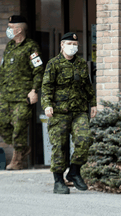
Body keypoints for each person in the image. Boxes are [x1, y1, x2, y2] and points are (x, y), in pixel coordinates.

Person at [41, 32, 97, 194]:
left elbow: (87, 85)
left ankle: (74, 171)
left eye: (75, 44)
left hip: (79, 110)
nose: (73, 47)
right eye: (69, 44)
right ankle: (58, 181)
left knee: (85, 139)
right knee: (59, 145)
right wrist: (47, 105)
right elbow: (46, 87)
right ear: (62, 45)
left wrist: (92, 103)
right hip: (59, 112)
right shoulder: (53, 64)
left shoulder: (80, 64)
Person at [0, 15, 44, 170]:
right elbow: (3, 70)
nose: (8, 30)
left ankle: (17, 160)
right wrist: (1, 90)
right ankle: (22, 149)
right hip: (6, 95)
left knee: (19, 127)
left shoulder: (31, 47)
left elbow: (38, 70)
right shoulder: (9, 46)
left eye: (11, 27)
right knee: (0, 124)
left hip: (23, 96)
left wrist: (34, 90)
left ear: (19, 29)